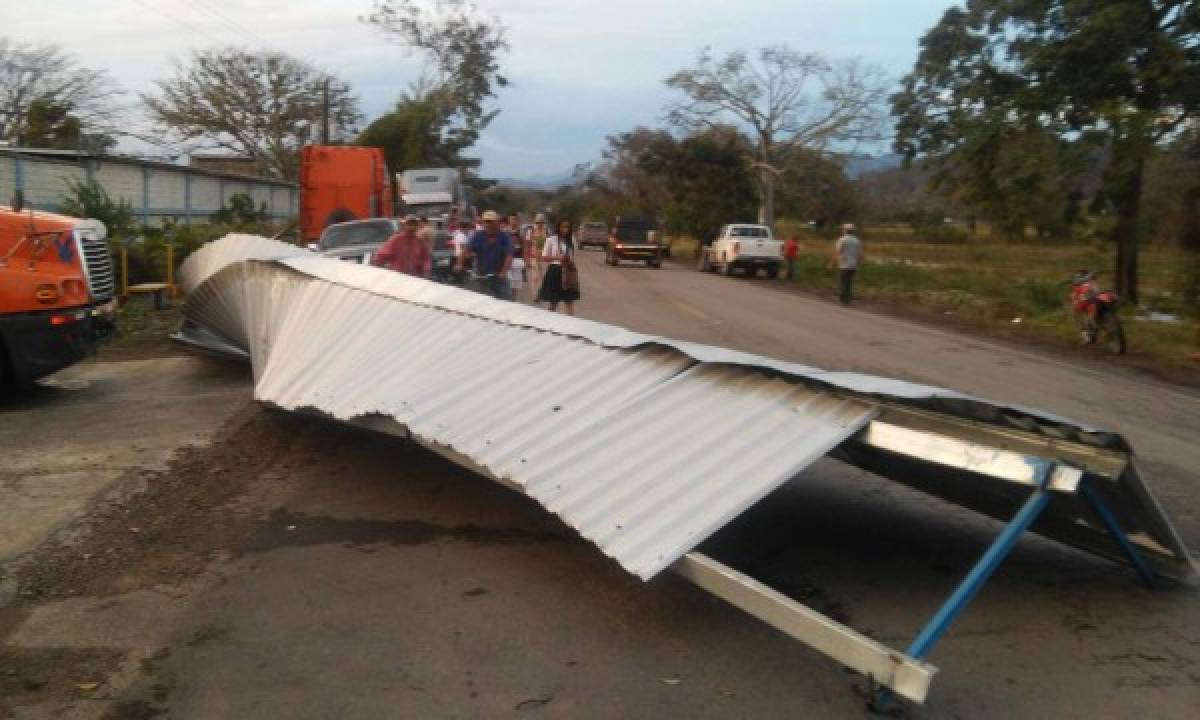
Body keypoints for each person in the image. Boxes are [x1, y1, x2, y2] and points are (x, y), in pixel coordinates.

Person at [456, 210, 514, 300]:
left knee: (507, 300)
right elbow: (466, 250)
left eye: (491, 222)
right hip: (481, 276)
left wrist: (503, 272)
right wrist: (459, 264)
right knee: (477, 300)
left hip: (498, 277)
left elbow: (509, 256)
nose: (488, 225)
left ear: (497, 223)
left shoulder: (504, 237)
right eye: (486, 222)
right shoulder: (478, 236)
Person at [537, 219, 580, 315]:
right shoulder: (551, 240)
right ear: (558, 228)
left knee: (569, 301)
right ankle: (550, 324)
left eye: (567, 227)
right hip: (555, 271)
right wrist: (557, 257)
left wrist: (569, 262)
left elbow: (574, 256)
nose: (565, 229)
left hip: (568, 271)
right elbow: (544, 257)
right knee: (553, 302)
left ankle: (570, 324)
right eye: (562, 227)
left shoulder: (572, 240)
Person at [830, 223, 862, 305]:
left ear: (845, 230)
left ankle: (843, 299)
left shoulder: (842, 239)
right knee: (849, 282)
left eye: (843, 229)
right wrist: (858, 264)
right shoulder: (857, 240)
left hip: (844, 264)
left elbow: (838, 252)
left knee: (843, 281)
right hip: (853, 265)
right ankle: (848, 298)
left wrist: (832, 263)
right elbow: (859, 254)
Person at [525, 212, 549, 289]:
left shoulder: (547, 231)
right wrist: (527, 259)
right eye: (538, 222)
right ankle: (535, 295)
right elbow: (527, 245)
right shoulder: (531, 231)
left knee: (543, 276)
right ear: (535, 222)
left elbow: (549, 245)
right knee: (535, 277)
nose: (540, 224)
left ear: (544, 223)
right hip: (533, 257)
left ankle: (541, 293)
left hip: (544, 258)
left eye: (541, 222)